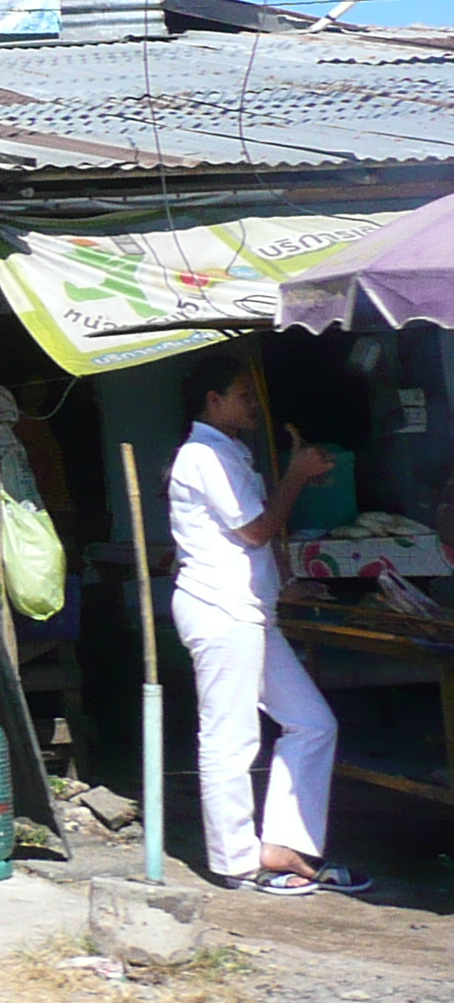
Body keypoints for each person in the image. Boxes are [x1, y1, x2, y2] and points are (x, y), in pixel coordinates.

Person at [164, 352, 367, 896]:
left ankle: (281, 843)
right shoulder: (202, 455)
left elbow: (253, 541)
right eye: (243, 395)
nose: (253, 404)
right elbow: (255, 531)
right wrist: (297, 477)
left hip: (250, 607)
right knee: (230, 737)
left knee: (312, 722)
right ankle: (235, 861)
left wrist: (285, 584)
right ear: (213, 401)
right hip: (220, 608)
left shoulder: (229, 452)